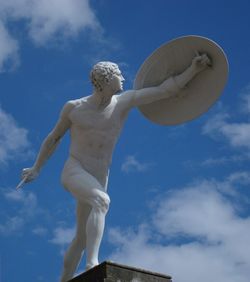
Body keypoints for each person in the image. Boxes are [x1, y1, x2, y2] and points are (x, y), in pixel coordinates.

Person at [20, 53, 210, 281]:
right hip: (75, 169)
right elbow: (54, 138)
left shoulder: (124, 102)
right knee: (102, 201)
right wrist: (36, 168)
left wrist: (194, 69)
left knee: (81, 237)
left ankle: (64, 279)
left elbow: (164, 91)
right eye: (118, 74)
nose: (123, 77)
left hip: (100, 174)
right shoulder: (74, 108)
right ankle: (93, 264)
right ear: (106, 79)